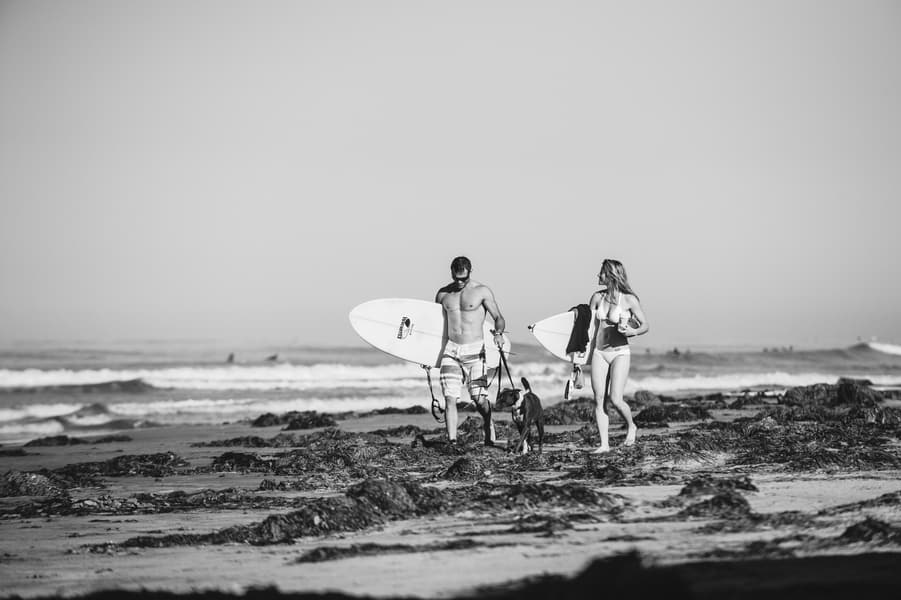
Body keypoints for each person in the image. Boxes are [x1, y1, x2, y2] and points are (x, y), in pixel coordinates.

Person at [435, 256, 506, 445]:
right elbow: (435, 328)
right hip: (451, 350)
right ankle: (452, 441)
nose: (459, 282)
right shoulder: (443, 295)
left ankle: (488, 423)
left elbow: (498, 317)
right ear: (451, 272)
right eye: (456, 278)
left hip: (476, 352)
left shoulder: (481, 291)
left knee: (478, 398)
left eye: (463, 279)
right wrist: (427, 356)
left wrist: (499, 333)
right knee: (450, 398)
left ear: (470, 272)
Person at [588, 259, 649, 452]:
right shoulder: (597, 298)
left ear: (611, 275)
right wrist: (580, 360)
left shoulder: (629, 300)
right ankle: (604, 444)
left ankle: (631, 425)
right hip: (599, 352)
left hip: (620, 353)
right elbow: (590, 330)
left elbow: (645, 325)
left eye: (602, 272)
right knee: (599, 399)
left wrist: (633, 332)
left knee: (615, 399)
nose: (598, 275)